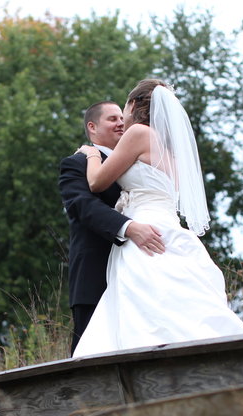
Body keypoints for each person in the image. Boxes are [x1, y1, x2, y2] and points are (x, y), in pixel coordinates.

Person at [72, 79, 243, 357]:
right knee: (177, 305)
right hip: (169, 225)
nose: (122, 119)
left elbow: (95, 183)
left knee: (144, 307)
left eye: (124, 109)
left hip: (144, 228)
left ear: (133, 105)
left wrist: (92, 153)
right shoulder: (172, 147)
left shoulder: (138, 134)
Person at [58, 100, 165, 354]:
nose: (120, 123)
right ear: (92, 127)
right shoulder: (76, 164)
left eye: (121, 117)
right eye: (112, 119)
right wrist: (128, 227)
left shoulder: (139, 159)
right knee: (93, 355)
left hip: (142, 270)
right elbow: (83, 206)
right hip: (96, 274)